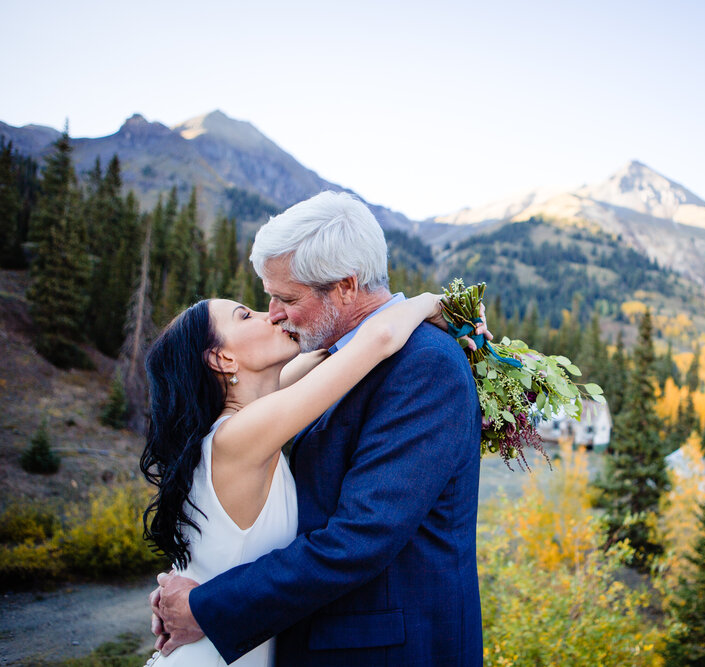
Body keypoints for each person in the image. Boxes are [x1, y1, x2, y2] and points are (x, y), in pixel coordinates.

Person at [149, 192, 484, 666]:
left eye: (286, 298)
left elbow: (358, 539)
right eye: (260, 304)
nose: (274, 313)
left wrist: (203, 604)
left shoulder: (424, 365)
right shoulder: (310, 378)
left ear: (346, 286)